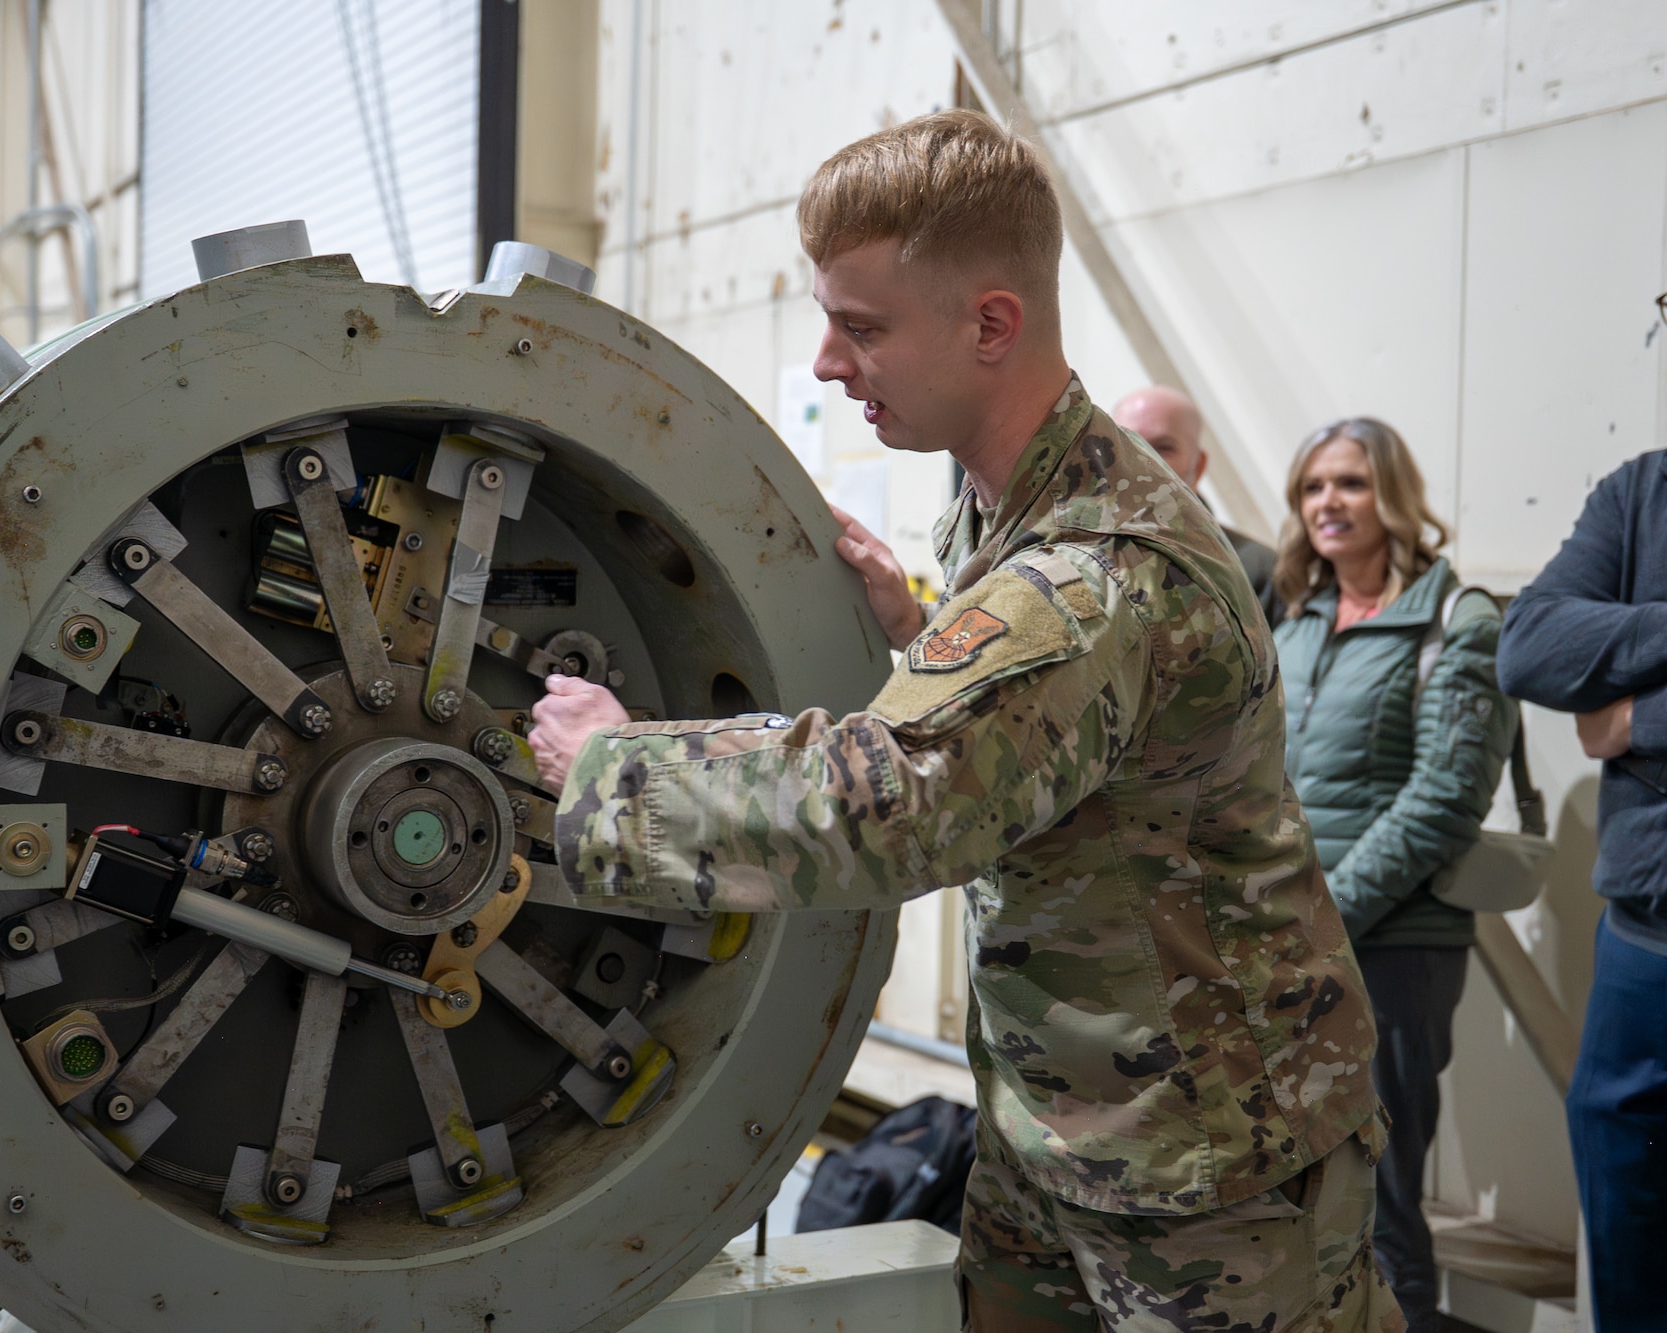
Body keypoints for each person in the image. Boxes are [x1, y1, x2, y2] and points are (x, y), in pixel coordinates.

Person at [529, 110, 1398, 1333]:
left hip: (1204, 1157)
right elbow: (1055, 709)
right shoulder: (1026, 515)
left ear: (989, 323)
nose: (829, 362)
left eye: (861, 327)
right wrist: (921, 622)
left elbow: (892, 807)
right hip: (1064, 1118)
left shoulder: (1087, 574)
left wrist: (611, 766)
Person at [1270, 418, 1516, 1333]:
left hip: (1395, 945)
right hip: (1287, 934)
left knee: (1382, 1187)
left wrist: (1325, 908)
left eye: (1352, 483)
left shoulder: (1460, 617)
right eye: (1312, 487)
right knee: (1290, 1192)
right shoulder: (1295, 616)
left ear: (1396, 498)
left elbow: (1447, 794)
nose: (1328, 503)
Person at [1493, 446, 1667, 1332]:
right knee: (1629, 1234)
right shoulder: (1640, 490)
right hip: (1643, 944)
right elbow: (1528, 646)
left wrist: (1639, 714)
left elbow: (1598, 694)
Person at [1112, 385, 1284, 627]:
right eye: (1129, 443)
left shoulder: (1256, 570)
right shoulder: (1077, 551)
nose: (1143, 459)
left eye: (1163, 447)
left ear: (1199, 466)